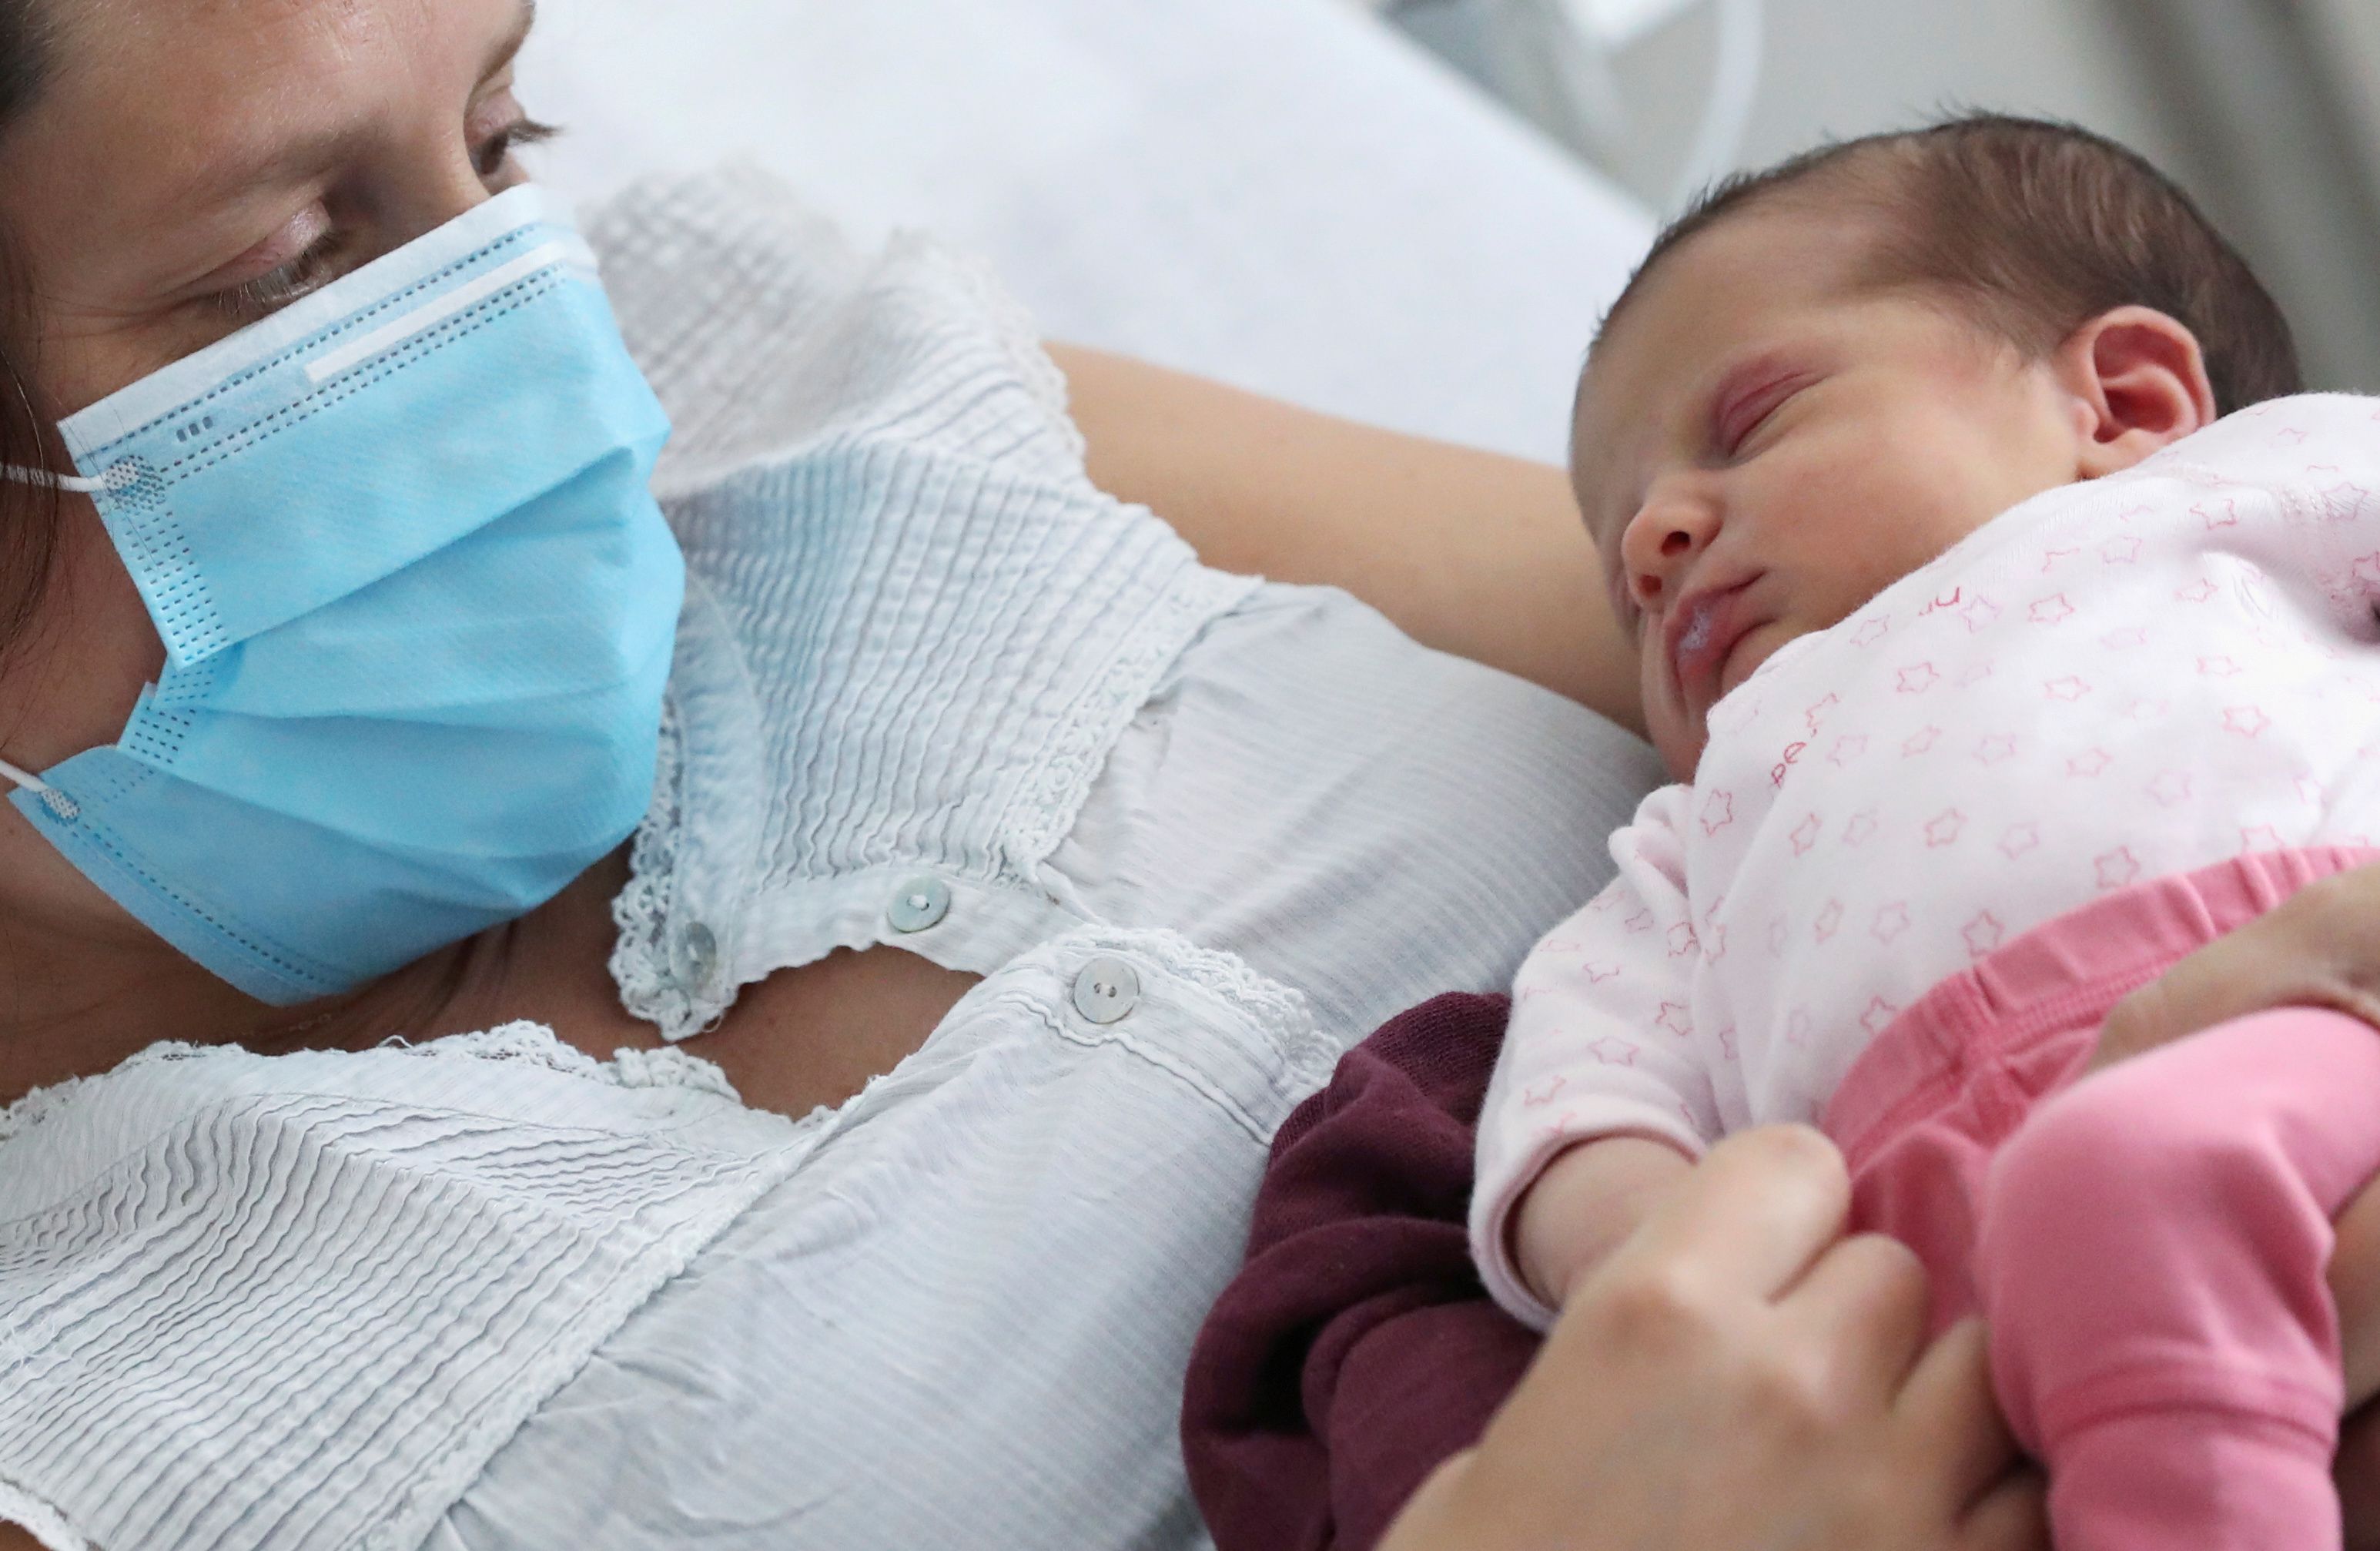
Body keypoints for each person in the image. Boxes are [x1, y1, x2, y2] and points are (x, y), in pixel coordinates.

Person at [0, 0, 2346, 1539]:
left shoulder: (826, 389)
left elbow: (1997, 614)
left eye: (507, 131)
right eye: (293, 264)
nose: (544, 340)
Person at [1476, 115, 2380, 1547]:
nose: (1656, 537)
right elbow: (1576, 1103)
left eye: (1751, 419)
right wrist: (1671, 1250)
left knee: (2140, 1179)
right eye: (1623, 576)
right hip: (1941, 1260)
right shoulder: (1699, 828)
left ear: (2125, 406)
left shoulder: (2229, 498)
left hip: (2318, 1008)